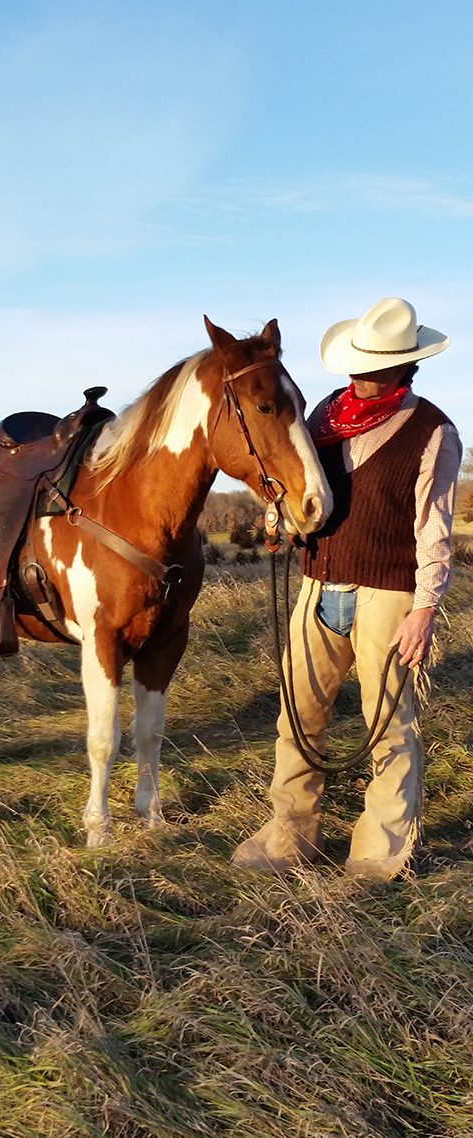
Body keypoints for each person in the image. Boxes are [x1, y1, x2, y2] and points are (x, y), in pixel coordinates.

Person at [233, 297, 462, 881]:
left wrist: (425, 609)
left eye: (375, 368)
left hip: (389, 595)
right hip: (317, 586)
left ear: (405, 367)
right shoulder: (324, 419)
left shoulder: (433, 431)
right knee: (297, 714)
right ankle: (290, 834)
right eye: (358, 365)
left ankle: (381, 850)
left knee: (389, 725)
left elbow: (434, 528)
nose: (361, 377)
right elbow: (299, 486)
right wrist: (281, 518)